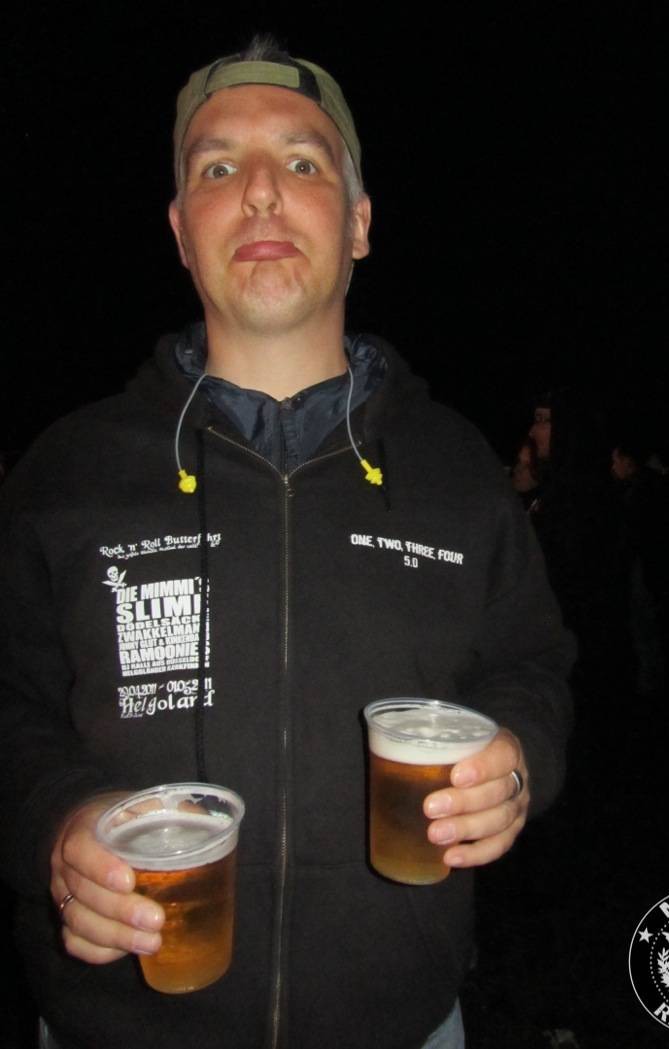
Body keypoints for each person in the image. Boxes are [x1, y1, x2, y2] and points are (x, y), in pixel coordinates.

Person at [0, 36, 573, 1049]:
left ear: (358, 222)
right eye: (218, 167)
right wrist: (57, 821)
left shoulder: (454, 466)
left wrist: (518, 758)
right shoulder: (67, 469)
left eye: (302, 162)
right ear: (181, 231)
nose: (260, 192)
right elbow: (13, 701)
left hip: (401, 1023)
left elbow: (531, 664)